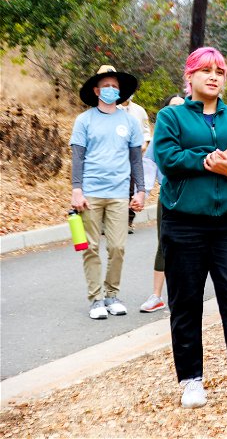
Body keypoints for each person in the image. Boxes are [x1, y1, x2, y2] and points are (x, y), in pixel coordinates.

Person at [153, 47, 227, 411]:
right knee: (185, 302)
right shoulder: (170, 117)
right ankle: (191, 380)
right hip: (183, 223)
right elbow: (168, 160)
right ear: (190, 77)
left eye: (220, 70)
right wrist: (214, 158)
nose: (214, 76)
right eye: (205, 70)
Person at [70, 65, 146, 320]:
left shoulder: (129, 121)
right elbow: (78, 158)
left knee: (117, 247)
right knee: (91, 247)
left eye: (115, 86)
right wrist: (76, 190)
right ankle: (96, 299)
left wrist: (141, 191)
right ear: (96, 90)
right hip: (90, 193)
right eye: (106, 86)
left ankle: (112, 295)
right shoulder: (84, 120)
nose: (111, 90)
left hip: (118, 194)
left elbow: (136, 160)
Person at [140, 94, 185, 314]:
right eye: (173, 107)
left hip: (196, 196)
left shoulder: (194, 132)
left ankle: (185, 294)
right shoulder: (160, 137)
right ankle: (157, 296)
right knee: (165, 244)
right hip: (169, 196)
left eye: (182, 106)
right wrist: (143, 193)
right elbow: (149, 163)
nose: (178, 110)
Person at [120, 95, 152, 234]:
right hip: (117, 156)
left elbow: (146, 132)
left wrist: (144, 145)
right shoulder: (112, 110)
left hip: (134, 156)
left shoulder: (139, 111)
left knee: (131, 189)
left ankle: (128, 221)